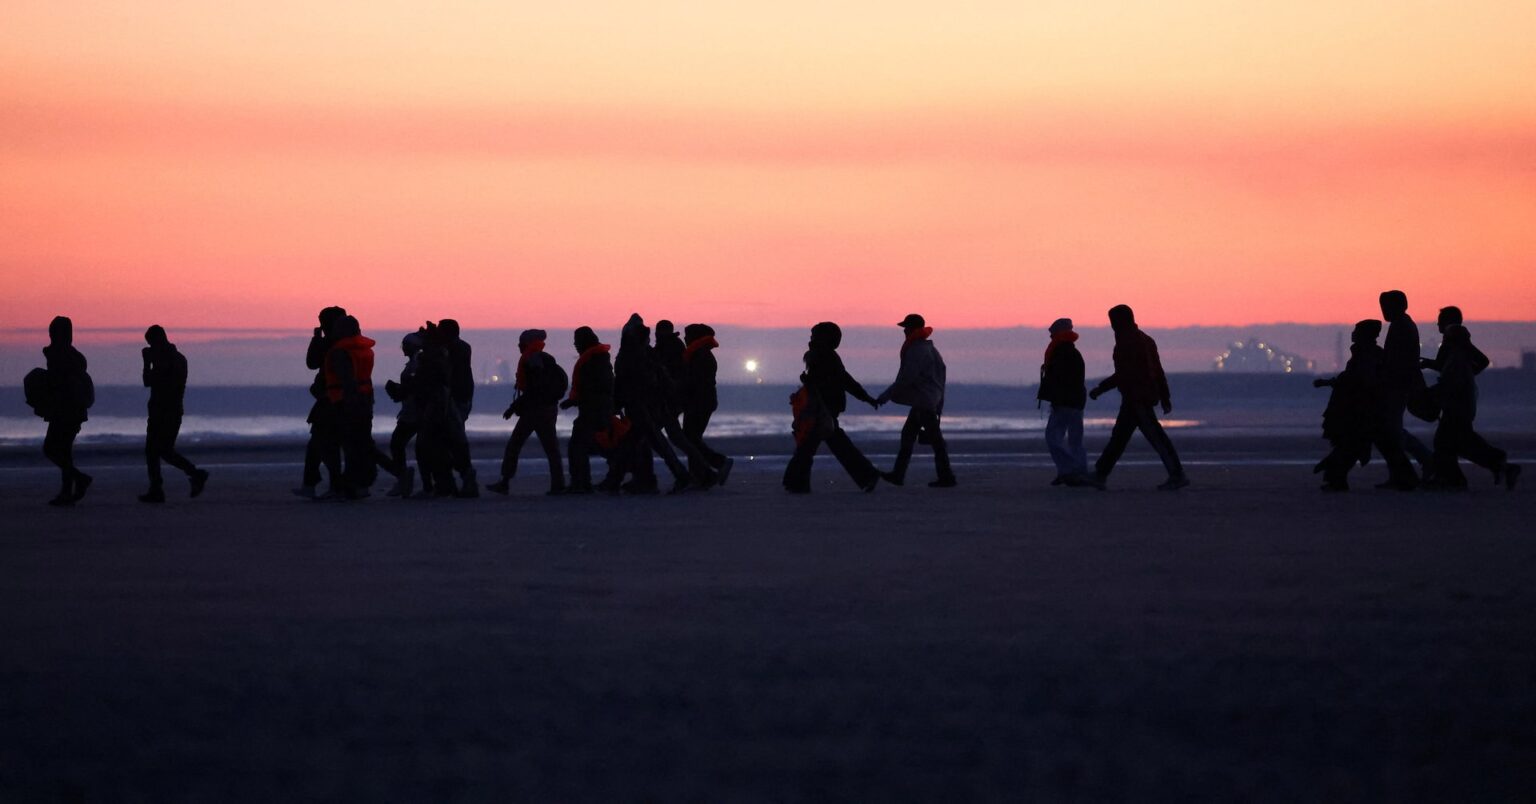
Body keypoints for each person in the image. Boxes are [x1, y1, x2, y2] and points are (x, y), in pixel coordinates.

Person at [604, 314, 712, 494]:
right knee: (637, 444)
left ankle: (678, 476)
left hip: (644, 408)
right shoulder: (646, 354)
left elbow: (629, 383)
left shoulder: (636, 356)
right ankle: (625, 480)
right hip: (649, 406)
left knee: (653, 443)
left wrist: (617, 403)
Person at [1087, 305, 1189, 490]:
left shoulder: (1129, 342)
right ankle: (1100, 474)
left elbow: (1125, 373)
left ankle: (1177, 474)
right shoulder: (1144, 339)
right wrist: (1164, 396)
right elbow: (1158, 371)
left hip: (1137, 398)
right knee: (1119, 438)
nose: (1111, 326)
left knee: (1155, 437)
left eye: (1113, 321)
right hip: (1136, 397)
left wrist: (1101, 389)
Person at [782, 321, 882, 493]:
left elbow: (842, 381)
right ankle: (867, 475)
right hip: (824, 407)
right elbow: (840, 380)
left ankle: (796, 484)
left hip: (823, 408)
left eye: (814, 335)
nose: (810, 338)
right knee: (835, 444)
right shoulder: (821, 355)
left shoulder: (825, 356)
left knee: (808, 446)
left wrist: (865, 397)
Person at [1424, 324, 1521, 491]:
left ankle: (1455, 479)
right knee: (1461, 443)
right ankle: (1500, 466)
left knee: (1446, 442)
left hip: (1457, 409)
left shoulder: (1457, 360)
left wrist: (1430, 393)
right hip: (1461, 407)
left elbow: (1451, 384)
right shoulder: (1460, 357)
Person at [1313, 320, 1396, 491]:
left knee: (1349, 444)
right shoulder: (1368, 353)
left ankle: (1335, 477)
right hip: (1354, 407)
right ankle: (1335, 476)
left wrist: (1334, 383)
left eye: (1357, 330)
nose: (1353, 333)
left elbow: (1358, 380)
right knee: (1350, 445)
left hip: (1355, 409)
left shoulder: (1367, 355)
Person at [876, 313, 955, 488]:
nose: (904, 330)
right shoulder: (930, 349)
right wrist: (939, 401)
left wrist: (886, 395)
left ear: (912, 329)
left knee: (934, 440)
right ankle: (899, 474)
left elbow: (906, 378)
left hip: (923, 400)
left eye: (906, 327)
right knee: (911, 436)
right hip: (929, 398)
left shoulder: (917, 350)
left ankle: (946, 476)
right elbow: (941, 375)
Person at [488, 329, 567, 495]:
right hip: (546, 409)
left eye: (521, 342)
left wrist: (514, 407)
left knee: (515, 445)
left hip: (535, 410)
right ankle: (558, 484)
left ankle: (505, 482)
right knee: (551, 448)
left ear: (527, 343)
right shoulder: (542, 358)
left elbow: (533, 388)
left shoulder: (533, 360)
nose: (518, 345)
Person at [139, 325, 209, 503]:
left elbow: (149, 381)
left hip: (163, 411)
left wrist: (147, 362)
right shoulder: (179, 358)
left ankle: (163, 486)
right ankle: (163, 486)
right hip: (171, 411)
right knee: (161, 451)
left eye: (152, 344)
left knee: (157, 451)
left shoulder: (167, 360)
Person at [325, 315, 382, 500]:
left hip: (346, 402)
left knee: (351, 446)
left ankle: (352, 486)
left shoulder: (341, 351)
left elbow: (347, 380)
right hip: (365, 399)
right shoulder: (364, 349)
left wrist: (349, 402)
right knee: (362, 444)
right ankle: (361, 483)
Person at [1378, 290, 1432, 486]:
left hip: (1398, 385)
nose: (1383, 311)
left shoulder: (1401, 326)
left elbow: (1397, 360)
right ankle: (1414, 466)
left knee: (1392, 430)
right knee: (1393, 430)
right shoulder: (1402, 324)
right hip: (1399, 384)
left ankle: (1424, 461)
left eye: (1386, 306)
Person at [40, 316, 93, 506]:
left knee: (50, 448)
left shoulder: (60, 356)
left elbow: (58, 383)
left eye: (52, 331)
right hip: (74, 411)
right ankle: (66, 491)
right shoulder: (74, 356)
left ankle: (79, 479)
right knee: (64, 451)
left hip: (65, 410)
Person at [294, 306, 346, 499]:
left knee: (326, 444)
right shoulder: (341, 342)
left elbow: (312, 362)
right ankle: (312, 483)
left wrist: (317, 339)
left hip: (332, 401)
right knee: (318, 443)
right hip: (334, 400)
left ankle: (334, 486)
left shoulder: (334, 343)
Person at [559, 326, 614, 494]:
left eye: (577, 341)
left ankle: (580, 483)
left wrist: (575, 400)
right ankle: (586, 482)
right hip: (595, 409)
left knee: (578, 447)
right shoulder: (597, 358)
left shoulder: (594, 360)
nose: (575, 345)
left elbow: (595, 387)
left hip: (593, 410)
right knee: (596, 446)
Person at [1037, 317, 1089, 486]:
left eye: (1052, 333)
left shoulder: (1062, 352)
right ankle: (1077, 471)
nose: (1050, 336)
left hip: (1065, 402)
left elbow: (1060, 380)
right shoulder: (1071, 352)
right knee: (1075, 440)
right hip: (1076, 401)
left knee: (1053, 437)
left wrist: (1056, 400)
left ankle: (1069, 470)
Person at [680, 323, 733, 484]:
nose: (685, 339)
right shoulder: (700, 354)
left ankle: (718, 462)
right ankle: (701, 476)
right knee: (692, 438)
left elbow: (696, 382)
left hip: (699, 402)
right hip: (702, 401)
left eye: (687, 336)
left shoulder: (700, 356)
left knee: (690, 438)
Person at [438, 318, 478, 497]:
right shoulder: (463, 347)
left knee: (454, 439)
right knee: (451, 439)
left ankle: (465, 479)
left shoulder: (454, 349)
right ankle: (455, 482)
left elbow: (448, 370)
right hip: (460, 398)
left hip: (455, 399)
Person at [382, 331, 423, 497]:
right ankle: (405, 477)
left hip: (414, 413)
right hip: (411, 411)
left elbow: (415, 387)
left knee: (397, 444)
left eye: (405, 346)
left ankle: (403, 478)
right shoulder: (415, 363)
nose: (402, 349)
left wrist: (399, 390)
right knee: (402, 445)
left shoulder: (417, 363)